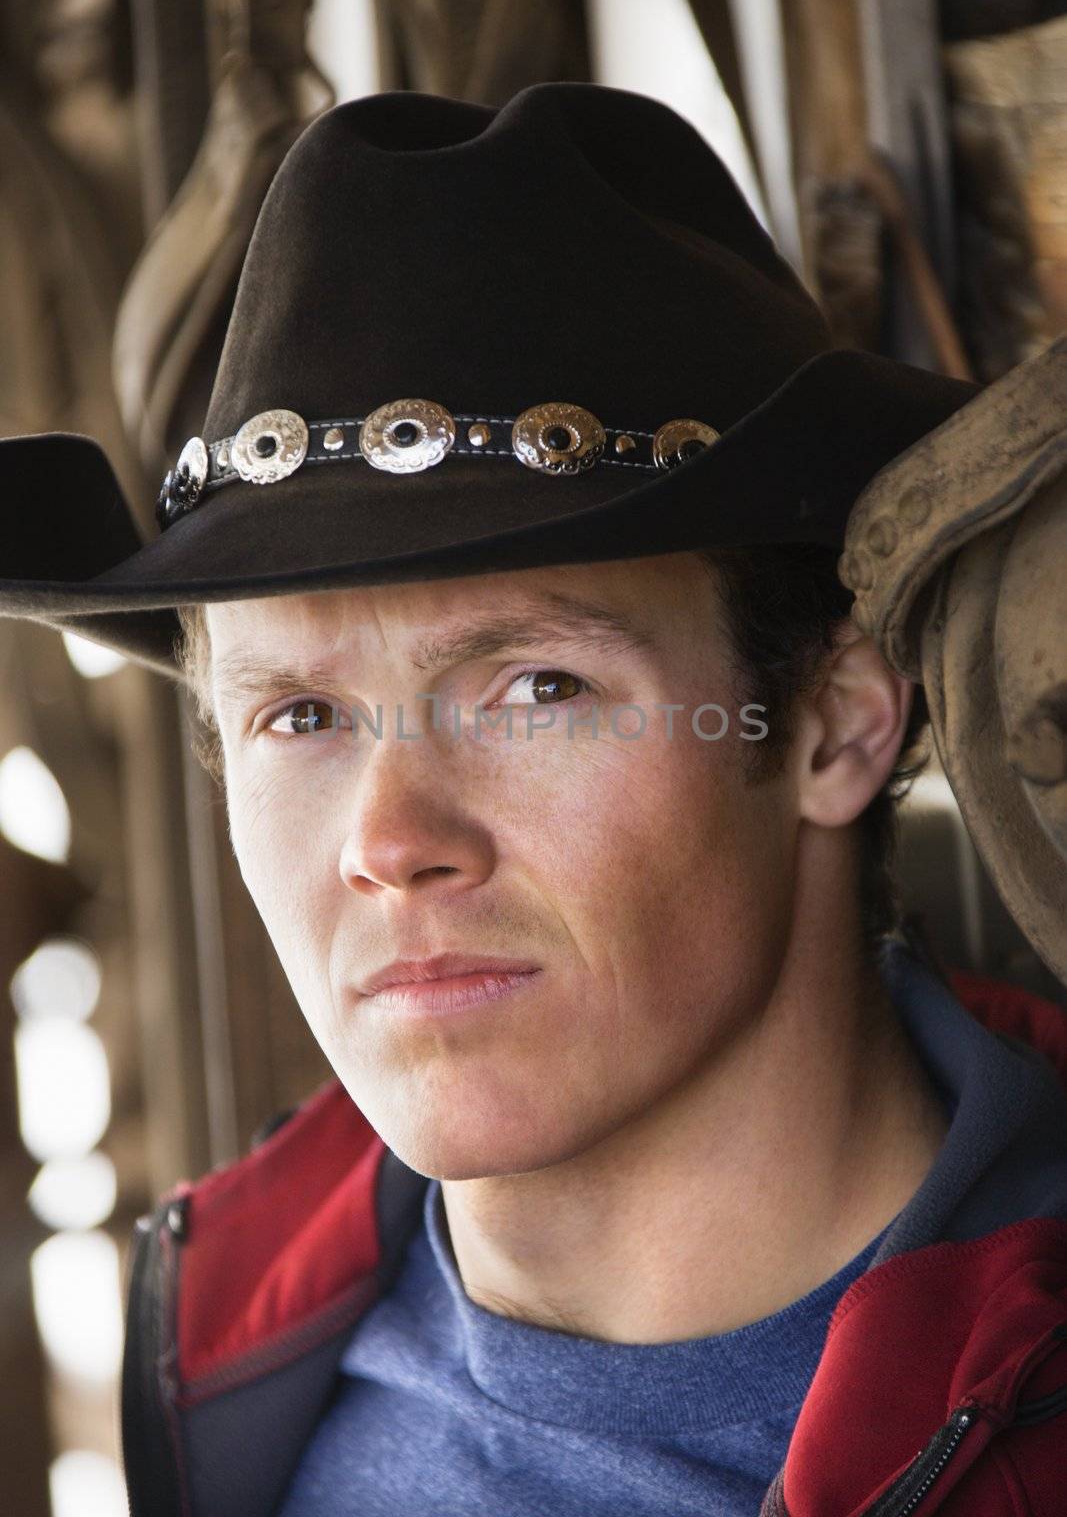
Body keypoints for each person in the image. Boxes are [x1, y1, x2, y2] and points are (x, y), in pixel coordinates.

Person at [3, 83, 1066, 1516]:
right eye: (298, 714)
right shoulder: (229, 1354)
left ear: (836, 722)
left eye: (535, 689)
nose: (389, 844)